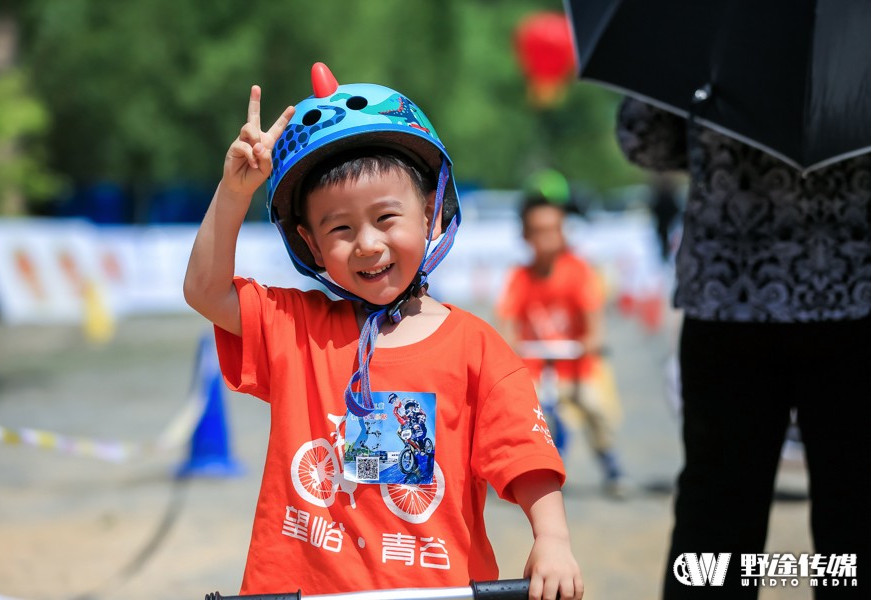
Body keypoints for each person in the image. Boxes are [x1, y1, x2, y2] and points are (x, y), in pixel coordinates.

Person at [183, 63, 583, 599]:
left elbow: (524, 454)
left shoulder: (476, 348)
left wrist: (552, 537)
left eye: (387, 218)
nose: (368, 244)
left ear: (431, 215)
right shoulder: (296, 329)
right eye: (340, 228)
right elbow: (206, 293)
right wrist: (235, 192)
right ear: (310, 243)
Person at [616, 96, 871, 599]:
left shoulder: (704, 20)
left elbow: (644, 138)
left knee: (718, 517)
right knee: (857, 511)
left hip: (731, 295)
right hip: (851, 293)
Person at [495, 171, 627, 499]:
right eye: (538, 233)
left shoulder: (577, 270)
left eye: (552, 231)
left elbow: (593, 317)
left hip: (576, 364)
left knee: (596, 408)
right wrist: (509, 345)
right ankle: (526, 469)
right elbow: (507, 320)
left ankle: (610, 462)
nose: (546, 240)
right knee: (526, 411)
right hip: (537, 366)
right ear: (526, 236)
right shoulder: (520, 276)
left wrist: (592, 341)